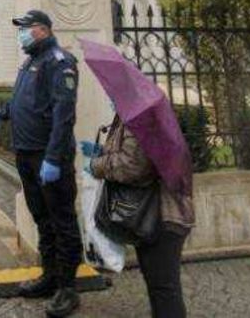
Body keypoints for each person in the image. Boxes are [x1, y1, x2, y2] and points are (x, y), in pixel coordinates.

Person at [0, 10, 82, 317]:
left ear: (41, 30)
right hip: (26, 154)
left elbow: (62, 114)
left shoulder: (59, 62)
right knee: (42, 218)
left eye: (24, 29)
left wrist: (54, 158)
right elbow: (21, 100)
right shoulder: (30, 61)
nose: (21, 35)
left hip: (48, 157)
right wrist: (1, 114)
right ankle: (50, 275)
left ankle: (68, 288)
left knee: (62, 221)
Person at [83, 115, 195, 317]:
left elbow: (133, 166)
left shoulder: (142, 119)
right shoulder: (129, 117)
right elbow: (132, 153)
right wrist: (100, 152)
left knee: (164, 288)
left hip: (164, 215)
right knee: (157, 284)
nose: (111, 100)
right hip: (150, 215)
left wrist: (96, 165)